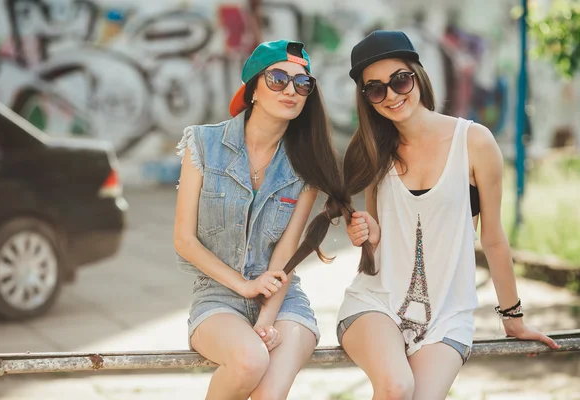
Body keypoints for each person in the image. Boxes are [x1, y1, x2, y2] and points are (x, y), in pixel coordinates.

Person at [337, 30, 560, 400]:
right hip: (375, 303)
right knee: (396, 387)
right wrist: (368, 235)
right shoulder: (375, 151)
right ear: (367, 99)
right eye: (376, 89)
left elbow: (492, 237)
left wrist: (513, 317)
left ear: (418, 76)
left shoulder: (474, 142)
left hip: (447, 314)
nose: (391, 95)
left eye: (399, 80)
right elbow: (377, 242)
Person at [173, 39, 343, 400]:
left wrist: (266, 320)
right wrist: (245, 286)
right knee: (249, 361)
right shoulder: (202, 144)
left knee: (268, 393)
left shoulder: (305, 165)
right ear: (252, 89)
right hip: (217, 296)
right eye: (278, 78)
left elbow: (285, 253)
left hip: (284, 300)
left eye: (302, 84)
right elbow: (184, 241)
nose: (291, 90)